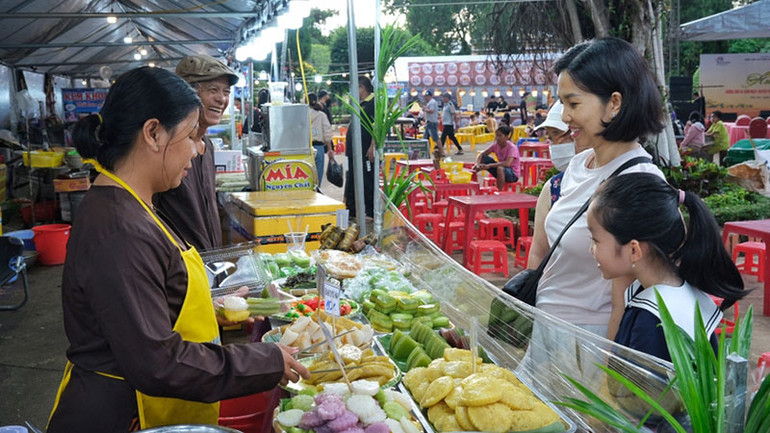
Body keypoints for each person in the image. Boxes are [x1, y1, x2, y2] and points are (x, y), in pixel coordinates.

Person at [47, 67, 309, 432]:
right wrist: (264, 360)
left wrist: (207, 309)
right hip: (123, 415)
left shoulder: (136, 204)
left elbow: (146, 303)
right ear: (153, 133)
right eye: (190, 135)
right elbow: (157, 363)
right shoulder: (120, 229)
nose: (200, 148)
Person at [530, 37, 666, 342]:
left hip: (587, 341)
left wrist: (610, 370)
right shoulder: (578, 167)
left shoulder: (638, 182)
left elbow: (626, 296)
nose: (565, 117)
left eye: (573, 103)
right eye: (562, 104)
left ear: (614, 103)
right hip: (545, 328)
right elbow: (543, 256)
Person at [587, 173, 745, 361]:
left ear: (634, 250)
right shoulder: (682, 290)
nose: (591, 250)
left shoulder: (652, 319)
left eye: (595, 240)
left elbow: (641, 388)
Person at [152, 55, 236, 252]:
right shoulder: (167, 146)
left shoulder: (208, 145)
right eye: (213, 90)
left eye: (226, 92)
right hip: (179, 265)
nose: (222, 99)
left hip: (208, 263)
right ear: (186, 94)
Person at [344, 76, 376, 218]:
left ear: (362, 87)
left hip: (365, 150)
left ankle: (370, 210)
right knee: (351, 178)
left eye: (356, 88)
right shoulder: (359, 103)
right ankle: (351, 209)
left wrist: (372, 147)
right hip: (353, 150)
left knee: (367, 179)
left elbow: (377, 127)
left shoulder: (373, 103)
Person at [473, 125, 520, 189]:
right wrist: (478, 164)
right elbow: (482, 154)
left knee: (500, 168)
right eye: (496, 135)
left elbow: (507, 164)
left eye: (500, 136)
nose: (497, 138)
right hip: (500, 171)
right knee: (484, 159)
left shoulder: (512, 148)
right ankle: (472, 183)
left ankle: (499, 191)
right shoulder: (495, 145)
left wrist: (490, 165)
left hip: (512, 174)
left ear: (506, 137)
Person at [308, 92, 335, 187]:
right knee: (318, 175)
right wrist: (329, 149)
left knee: (307, 173)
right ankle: (317, 191)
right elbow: (327, 133)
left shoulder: (303, 115)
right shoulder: (321, 115)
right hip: (319, 147)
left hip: (307, 148)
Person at [421, 90, 441, 156]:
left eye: (426, 96)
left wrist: (425, 110)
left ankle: (442, 151)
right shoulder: (430, 102)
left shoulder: (432, 102)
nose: (425, 98)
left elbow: (431, 111)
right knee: (425, 138)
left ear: (429, 96)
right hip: (429, 122)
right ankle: (426, 152)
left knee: (435, 138)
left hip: (432, 122)